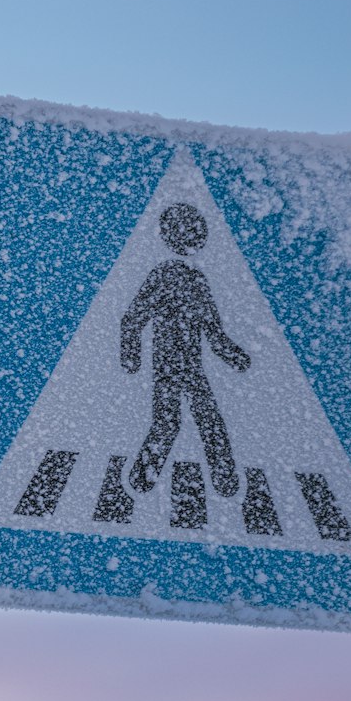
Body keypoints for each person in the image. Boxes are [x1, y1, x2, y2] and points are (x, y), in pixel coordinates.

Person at [121, 201, 250, 498]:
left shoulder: (196, 279)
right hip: (167, 365)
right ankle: (141, 480)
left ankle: (225, 483)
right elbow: (133, 317)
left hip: (190, 365)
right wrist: (131, 357)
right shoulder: (164, 274)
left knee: (207, 420)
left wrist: (236, 357)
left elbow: (213, 330)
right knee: (169, 424)